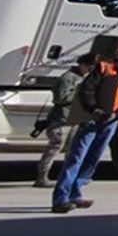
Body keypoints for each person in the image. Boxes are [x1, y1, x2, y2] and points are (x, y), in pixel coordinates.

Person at [52, 32, 118, 213]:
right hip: (93, 118)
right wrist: (94, 109)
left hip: (111, 121)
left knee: (93, 158)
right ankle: (61, 198)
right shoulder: (104, 66)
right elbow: (87, 89)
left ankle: (75, 193)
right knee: (76, 157)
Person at [33, 54, 94, 187]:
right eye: (89, 67)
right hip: (60, 120)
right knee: (54, 147)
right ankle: (42, 177)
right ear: (82, 64)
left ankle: (69, 177)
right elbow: (60, 98)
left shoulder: (83, 77)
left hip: (75, 119)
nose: (90, 70)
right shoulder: (67, 78)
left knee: (73, 150)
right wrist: (81, 95)